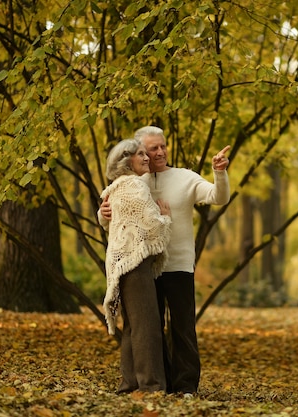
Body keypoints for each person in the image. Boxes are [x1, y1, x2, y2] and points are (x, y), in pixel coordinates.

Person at [98, 126, 230, 396]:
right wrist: (103, 213)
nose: (158, 153)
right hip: (147, 267)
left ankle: (185, 386)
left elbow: (219, 197)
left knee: (183, 327)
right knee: (150, 328)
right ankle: (161, 383)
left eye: (162, 146)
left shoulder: (185, 178)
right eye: (150, 149)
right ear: (139, 154)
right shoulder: (135, 180)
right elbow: (115, 222)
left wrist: (219, 172)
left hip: (179, 264)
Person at [100, 138, 172, 394]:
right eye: (140, 154)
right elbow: (150, 225)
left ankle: (129, 384)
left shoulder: (116, 188)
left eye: (146, 153)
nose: (146, 158)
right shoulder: (135, 186)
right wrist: (165, 218)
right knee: (148, 325)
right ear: (126, 161)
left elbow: (114, 220)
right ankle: (150, 385)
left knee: (132, 326)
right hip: (135, 262)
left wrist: (101, 214)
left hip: (121, 263)